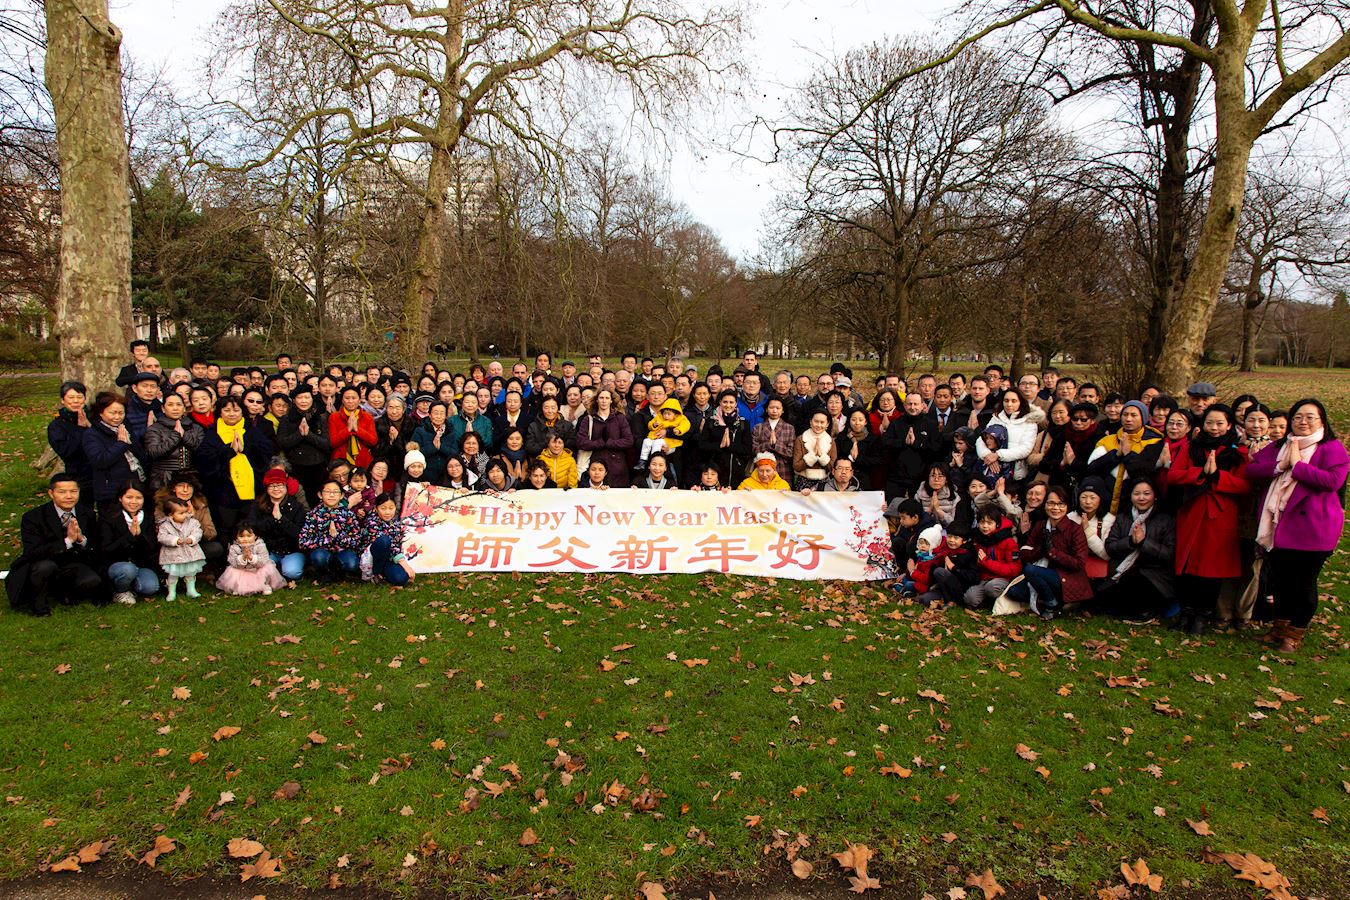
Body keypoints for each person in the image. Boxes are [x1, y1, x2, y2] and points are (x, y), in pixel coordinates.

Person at [1246, 398, 1348, 654]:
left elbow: (1332, 481)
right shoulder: (1282, 446)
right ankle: (1278, 628)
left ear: (1322, 421)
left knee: (1303, 583)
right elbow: (1253, 469)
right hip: (1279, 526)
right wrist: (1281, 465)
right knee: (1280, 581)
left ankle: (1295, 633)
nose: (1303, 422)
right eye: (1298, 417)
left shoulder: (1332, 448)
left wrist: (1298, 467)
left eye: (1309, 417)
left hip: (1314, 528)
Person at [1166, 405, 1250, 635]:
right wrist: (1200, 473)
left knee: (1210, 568)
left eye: (1219, 423)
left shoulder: (1238, 452)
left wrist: (1217, 476)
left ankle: (1202, 616)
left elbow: (1244, 485)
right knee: (1186, 566)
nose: (1213, 428)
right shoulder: (1192, 446)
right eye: (1209, 423)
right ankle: (1186, 612)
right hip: (1192, 511)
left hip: (1219, 515)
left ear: (1229, 425)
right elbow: (1174, 474)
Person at [6, 473, 104, 615]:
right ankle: (39, 606)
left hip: (71, 563)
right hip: (41, 563)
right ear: (51, 493)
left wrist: (81, 539)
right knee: (46, 567)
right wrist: (68, 541)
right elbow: (32, 552)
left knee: (91, 580)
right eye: (62, 492)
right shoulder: (33, 517)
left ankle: (64, 594)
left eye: (73, 491)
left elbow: (95, 547)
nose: (69, 496)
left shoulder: (86, 514)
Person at [1093, 478, 1177, 622]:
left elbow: (1170, 554)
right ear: (1131, 496)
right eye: (1137, 493)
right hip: (1125, 571)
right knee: (1099, 599)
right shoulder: (1122, 518)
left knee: (1137, 583)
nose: (1141, 498)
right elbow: (1110, 547)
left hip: (1155, 576)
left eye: (1146, 493)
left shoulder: (1166, 520)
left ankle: (1146, 611)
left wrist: (1144, 542)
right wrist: (1131, 541)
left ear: (1155, 496)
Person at [1003, 485, 1091, 618]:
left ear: (1067, 506)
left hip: (1065, 576)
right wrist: (1041, 551)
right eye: (1051, 503)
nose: (1055, 508)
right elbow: (1025, 553)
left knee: (1030, 570)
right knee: (1013, 592)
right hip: (1042, 572)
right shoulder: (1041, 525)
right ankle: (1056, 601)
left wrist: (1052, 553)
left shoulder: (1075, 529)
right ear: (1045, 505)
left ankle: (1052, 605)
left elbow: (1079, 563)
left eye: (1060, 504)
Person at [196, 396, 272, 539]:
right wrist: (229, 451)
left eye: (236, 410)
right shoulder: (212, 433)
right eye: (227, 410)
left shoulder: (251, 430)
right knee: (226, 529)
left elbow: (266, 453)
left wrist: (245, 449)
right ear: (220, 412)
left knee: (251, 528)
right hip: (224, 491)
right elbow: (205, 462)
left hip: (251, 491)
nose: (232, 414)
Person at [1086, 400, 1163, 514]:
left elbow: (1143, 472)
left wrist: (1127, 454)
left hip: (1134, 505)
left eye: (1134, 415)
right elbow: (1091, 469)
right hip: (1105, 502)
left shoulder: (1154, 442)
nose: (1128, 419)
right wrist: (1116, 455)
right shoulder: (1107, 440)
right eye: (1125, 415)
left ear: (1143, 418)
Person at [82, 391, 146, 516]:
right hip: (111, 491)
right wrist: (121, 444)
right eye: (112, 413)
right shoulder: (92, 434)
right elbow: (100, 461)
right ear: (101, 413)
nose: (117, 417)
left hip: (134, 487)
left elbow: (140, 455)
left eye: (121, 413)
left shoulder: (125, 428)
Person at [100, 482, 160, 605]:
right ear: (120, 498)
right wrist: (129, 536)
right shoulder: (108, 517)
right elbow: (106, 549)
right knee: (128, 570)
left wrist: (139, 536)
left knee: (150, 587)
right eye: (129, 497)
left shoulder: (148, 517)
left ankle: (131, 588)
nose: (134, 502)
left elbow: (152, 549)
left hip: (140, 564)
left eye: (138, 498)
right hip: (116, 565)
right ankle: (120, 591)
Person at [246, 467, 307, 584]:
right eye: (272, 486)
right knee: (258, 572)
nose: (276, 489)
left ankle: (282, 569)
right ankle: (274, 570)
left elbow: (298, 533)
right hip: (267, 550)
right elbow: (254, 529)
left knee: (292, 572)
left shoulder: (296, 506)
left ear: (285, 487)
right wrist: (272, 518)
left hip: (291, 550)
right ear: (266, 488)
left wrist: (281, 519)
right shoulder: (258, 505)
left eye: (280, 485)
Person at [276, 386, 333, 505]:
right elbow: (282, 443)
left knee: (318, 500)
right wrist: (299, 434)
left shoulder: (320, 418)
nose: (303, 401)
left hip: (318, 467)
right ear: (294, 400)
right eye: (300, 398)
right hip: (296, 467)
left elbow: (327, 444)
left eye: (307, 397)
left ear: (312, 399)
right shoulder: (287, 419)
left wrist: (308, 435)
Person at [299, 480, 364, 582]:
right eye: (328, 492)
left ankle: (340, 572)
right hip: (321, 551)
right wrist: (327, 539)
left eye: (335, 492)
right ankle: (324, 573)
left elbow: (357, 539)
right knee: (319, 557)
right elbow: (303, 541)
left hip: (343, 550)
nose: (332, 495)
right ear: (320, 495)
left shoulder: (348, 514)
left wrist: (338, 537)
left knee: (351, 563)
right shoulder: (313, 515)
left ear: (342, 495)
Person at [142, 393, 205, 490]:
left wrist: (185, 436)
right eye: (170, 405)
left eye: (179, 405)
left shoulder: (196, 428)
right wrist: (175, 437)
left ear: (184, 408)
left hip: (191, 478)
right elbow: (153, 453)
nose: (175, 408)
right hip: (163, 479)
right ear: (163, 409)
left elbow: (202, 451)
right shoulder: (155, 429)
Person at [961, 510, 1022, 609]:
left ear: (997, 524)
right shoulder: (977, 538)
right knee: (970, 598)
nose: (985, 526)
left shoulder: (1008, 541)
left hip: (1003, 578)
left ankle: (1001, 599)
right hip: (984, 577)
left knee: (991, 588)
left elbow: (1014, 569)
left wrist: (986, 562)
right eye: (982, 522)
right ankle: (987, 603)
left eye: (989, 523)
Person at [215, 523, 288, 596]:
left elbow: (263, 560)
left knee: (266, 568)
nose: (245, 539)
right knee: (233, 571)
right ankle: (238, 587)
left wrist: (251, 557)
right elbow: (233, 562)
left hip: (257, 569)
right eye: (241, 536)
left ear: (255, 536)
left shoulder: (260, 545)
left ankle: (264, 586)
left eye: (249, 536)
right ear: (236, 537)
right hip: (242, 570)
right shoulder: (234, 547)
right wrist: (243, 557)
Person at [48, 381, 93, 495]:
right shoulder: (57, 426)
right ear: (63, 400)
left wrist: (90, 427)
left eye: (79, 397)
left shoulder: (94, 418)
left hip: (101, 473)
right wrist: (81, 430)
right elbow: (66, 451)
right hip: (77, 475)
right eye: (71, 397)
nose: (76, 401)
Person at [158, 496, 207, 601]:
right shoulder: (165, 525)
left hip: (190, 553)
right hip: (173, 555)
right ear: (171, 515)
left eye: (185, 512)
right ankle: (171, 592)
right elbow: (162, 537)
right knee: (173, 573)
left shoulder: (192, 522)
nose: (185, 515)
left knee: (190, 572)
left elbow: (198, 532)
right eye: (181, 513)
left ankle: (191, 590)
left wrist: (192, 538)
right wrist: (174, 540)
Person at [702, 390, 753, 487]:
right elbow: (702, 445)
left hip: (736, 471)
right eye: (725, 402)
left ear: (736, 404)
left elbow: (747, 449)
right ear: (720, 402)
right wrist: (719, 446)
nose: (728, 405)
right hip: (714, 470)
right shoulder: (711, 422)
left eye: (731, 402)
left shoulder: (742, 423)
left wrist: (730, 445)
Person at [1067, 477, 1114, 583]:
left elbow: (1106, 555)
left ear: (1101, 499)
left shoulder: (1109, 520)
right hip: (1072, 567)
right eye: (1084, 497)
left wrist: (1087, 530)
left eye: (1092, 497)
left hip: (1097, 573)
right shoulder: (1071, 517)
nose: (1087, 502)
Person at [361, 494, 413, 586]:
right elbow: (388, 544)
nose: (387, 512)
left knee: (401, 578)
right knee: (384, 541)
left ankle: (385, 573)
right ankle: (376, 574)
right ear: (376, 509)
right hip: (374, 557)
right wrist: (403, 563)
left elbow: (398, 544)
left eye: (391, 508)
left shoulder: (396, 523)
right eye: (383, 508)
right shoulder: (371, 522)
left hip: (390, 558)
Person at [329, 386, 378, 469]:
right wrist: (348, 430)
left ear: (359, 400)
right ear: (342, 400)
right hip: (340, 460)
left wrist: (357, 430)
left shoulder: (367, 417)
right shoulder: (334, 417)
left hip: (363, 459)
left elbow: (373, 441)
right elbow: (332, 442)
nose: (350, 401)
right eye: (347, 398)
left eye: (354, 398)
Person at [752, 396, 797, 482]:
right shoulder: (758, 428)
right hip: (762, 470)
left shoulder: (789, 428)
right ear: (766, 409)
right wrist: (768, 444)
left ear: (782, 410)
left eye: (778, 408)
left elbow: (791, 453)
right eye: (771, 407)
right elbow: (754, 450)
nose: (774, 411)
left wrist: (776, 445)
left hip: (783, 470)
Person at [793, 410, 836, 491]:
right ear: (810, 422)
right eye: (816, 421)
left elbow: (833, 467)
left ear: (827, 424)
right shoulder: (800, 439)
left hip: (824, 483)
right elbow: (796, 466)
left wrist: (821, 456)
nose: (818, 425)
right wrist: (812, 455)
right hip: (804, 482)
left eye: (822, 422)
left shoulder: (831, 441)